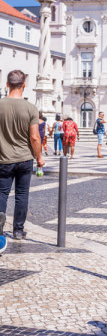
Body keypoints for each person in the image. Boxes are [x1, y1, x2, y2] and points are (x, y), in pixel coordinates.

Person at [0, 70, 45, 240]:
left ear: (7, 84)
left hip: (3, 159)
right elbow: (35, 137)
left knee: (2, 193)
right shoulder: (31, 108)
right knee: (21, 194)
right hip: (25, 159)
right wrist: (39, 157)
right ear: (24, 85)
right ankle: (18, 230)